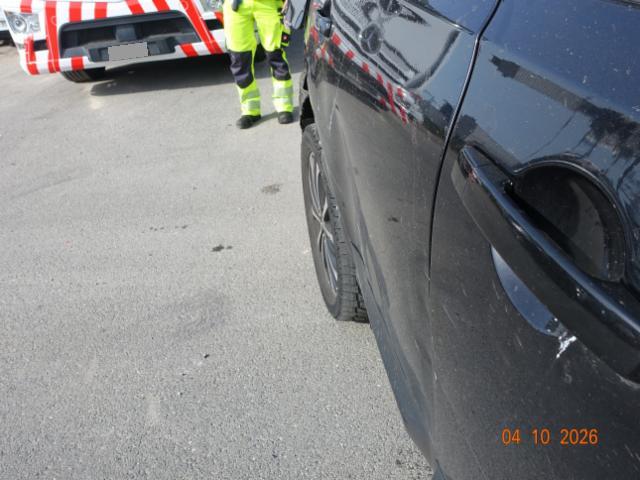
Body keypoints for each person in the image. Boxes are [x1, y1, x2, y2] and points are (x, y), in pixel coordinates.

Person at [224, 0, 294, 129]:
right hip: (235, 6)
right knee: (239, 60)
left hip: (269, 3)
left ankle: (284, 107)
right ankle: (250, 110)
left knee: (276, 55)